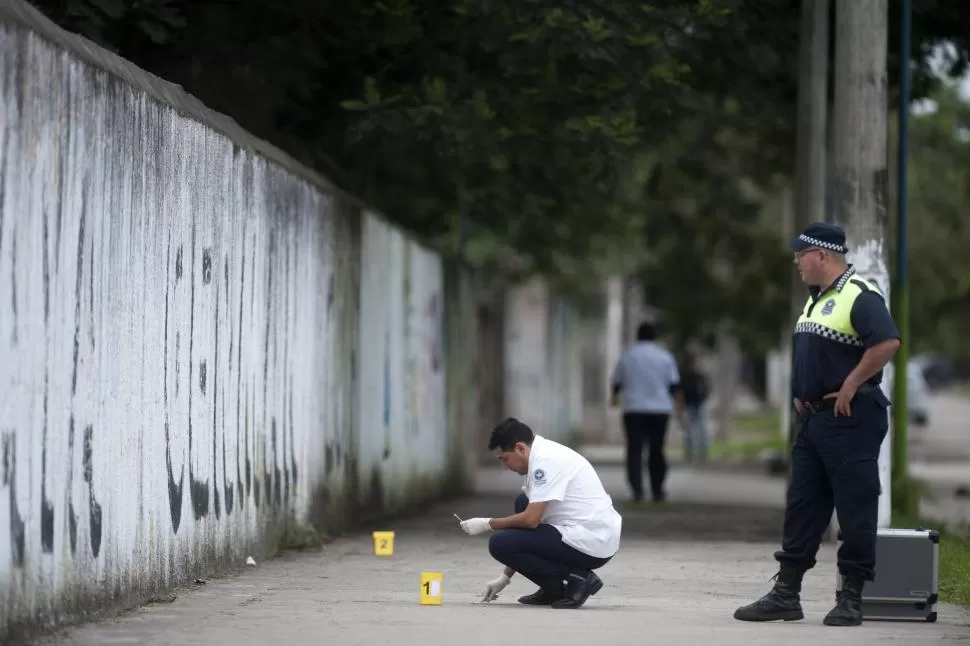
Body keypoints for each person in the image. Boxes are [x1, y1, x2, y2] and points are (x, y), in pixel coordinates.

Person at [733, 222, 901, 627]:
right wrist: (801, 391)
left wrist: (850, 384)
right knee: (803, 508)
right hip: (814, 421)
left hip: (851, 417)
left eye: (801, 254)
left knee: (855, 508)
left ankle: (852, 598)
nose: (796, 261)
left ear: (822, 255)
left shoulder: (859, 294)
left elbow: (887, 342)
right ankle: (786, 593)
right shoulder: (815, 301)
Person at [457, 417, 622, 609]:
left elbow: (530, 521)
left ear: (520, 448)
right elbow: (526, 530)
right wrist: (504, 578)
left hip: (593, 541)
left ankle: (581, 578)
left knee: (499, 543)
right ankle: (552, 588)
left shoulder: (545, 462)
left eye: (504, 459)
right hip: (585, 533)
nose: (505, 466)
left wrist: (487, 523)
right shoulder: (540, 454)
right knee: (523, 502)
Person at [609, 320, 683, 502]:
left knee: (634, 450)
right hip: (659, 410)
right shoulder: (665, 357)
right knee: (657, 450)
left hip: (634, 410)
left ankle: (637, 490)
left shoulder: (627, 356)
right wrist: (679, 408)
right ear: (655, 336)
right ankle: (657, 489)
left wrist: (614, 401)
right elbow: (674, 385)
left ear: (638, 335)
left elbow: (616, 384)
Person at [679, 352, 710, 464]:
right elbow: (680, 392)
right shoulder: (684, 375)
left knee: (702, 430)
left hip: (700, 403)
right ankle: (689, 454)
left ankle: (703, 454)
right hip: (689, 404)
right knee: (689, 431)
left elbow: (706, 389)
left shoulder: (700, 375)